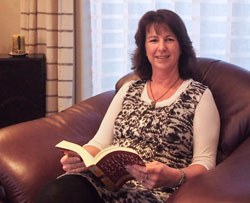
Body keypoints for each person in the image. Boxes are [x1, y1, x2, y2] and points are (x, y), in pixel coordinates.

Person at [37, 9, 220, 202]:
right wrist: (81, 158)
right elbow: (100, 142)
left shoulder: (199, 95)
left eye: (169, 39)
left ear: (181, 46)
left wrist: (174, 175)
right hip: (104, 184)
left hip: (151, 192)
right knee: (55, 193)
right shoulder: (128, 89)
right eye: (153, 40)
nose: (161, 48)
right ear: (144, 48)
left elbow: (206, 163)